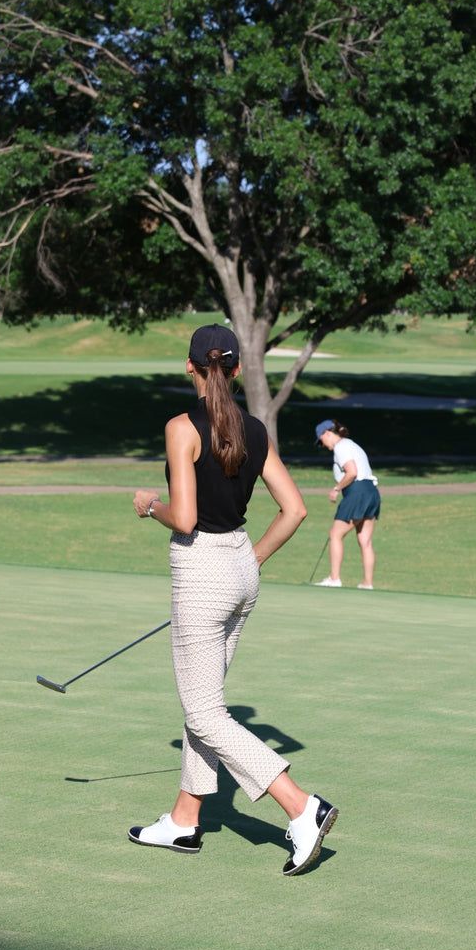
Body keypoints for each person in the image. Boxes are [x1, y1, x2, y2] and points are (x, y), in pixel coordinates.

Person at [130, 323, 338, 877]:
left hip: (201, 570)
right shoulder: (256, 428)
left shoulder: (181, 427)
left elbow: (187, 517)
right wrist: (251, 561)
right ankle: (184, 818)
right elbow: (294, 510)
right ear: (239, 369)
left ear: (190, 367)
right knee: (205, 704)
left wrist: (151, 505)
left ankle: (301, 807)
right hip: (241, 568)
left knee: (203, 710)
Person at [313, 419, 381, 590]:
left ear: (327, 433)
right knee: (365, 541)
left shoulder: (340, 447)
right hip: (371, 491)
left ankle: (334, 579)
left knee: (335, 534)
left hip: (357, 492)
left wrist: (336, 489)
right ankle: (367, 583)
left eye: (321, 441)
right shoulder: (352, 445)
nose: (323, 445)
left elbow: (351, 472)